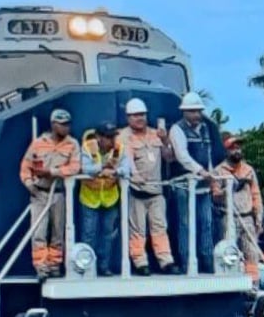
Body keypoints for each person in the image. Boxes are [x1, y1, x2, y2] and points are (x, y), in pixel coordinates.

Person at [19, 108, 81, 278]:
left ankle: (55, 265)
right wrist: (29, 184)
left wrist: (52, 172)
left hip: (59, 193)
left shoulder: (73, 144)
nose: (65, 128)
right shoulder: (39, 143)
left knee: (57, 231)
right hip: (40, 193)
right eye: (62, 124)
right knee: (39, 231)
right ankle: (41, 266)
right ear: (54, 125)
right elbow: (25, 167)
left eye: (68, 124)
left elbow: (75, 167)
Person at [120, 98, 179, 276]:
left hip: (156, 191)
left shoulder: (156, 134)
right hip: (136, 192)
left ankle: (166, 261)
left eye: (142, 115)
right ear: (128, 117)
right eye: (135, 115)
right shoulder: (124, 136)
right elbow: (127, 161)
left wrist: (166, 140)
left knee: (160, 228)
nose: (140, 118)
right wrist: (135, 176)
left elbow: (169, 158)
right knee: (137, 231)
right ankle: (140, 262)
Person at [168, 91, 216, 273]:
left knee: (206, 223)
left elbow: (208, 154)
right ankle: (186, 261)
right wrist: (200, 171)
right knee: (185, 223)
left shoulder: (205, 128)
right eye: (193, 111)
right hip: (183, 183)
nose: (197, 114)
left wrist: (210, 175)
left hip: (202, 186)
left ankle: (207, 261)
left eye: (199, 111)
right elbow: (182, 155)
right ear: (185, 112)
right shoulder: (177, 129)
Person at [79, 122, 131, 276]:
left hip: (110, 198)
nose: (112, 141)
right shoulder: (88, 147)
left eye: (113, 136)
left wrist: (115, 171)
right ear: (99, 137)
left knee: (107, 234)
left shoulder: (119, 149)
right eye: (108, 137)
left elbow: (127, 169)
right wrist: (102, 168)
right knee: (89, 233)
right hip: (90, 197)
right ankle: (87, 267)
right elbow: (84, 167)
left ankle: (104, 266)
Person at [211, 135, 264, 285]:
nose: (237, 151)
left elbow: (256, 194)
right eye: (233, 148)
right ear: (227, 150)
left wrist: (259, 216)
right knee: (229, 252)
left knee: (252, 253)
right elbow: (215, 196)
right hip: (228, 217)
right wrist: (228, 189)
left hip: (247, 217)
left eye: (239, 148)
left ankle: (253, 285)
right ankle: (229, 283)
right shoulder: (218, 171)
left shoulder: (249, 170)